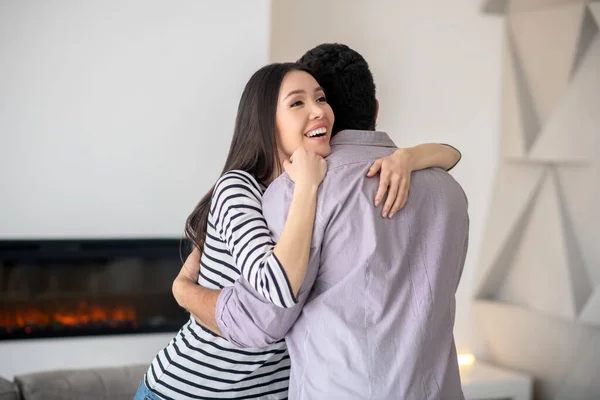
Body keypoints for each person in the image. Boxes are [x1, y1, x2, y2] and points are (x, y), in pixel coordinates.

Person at [137, 62, 460, 399]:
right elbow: (276, 288)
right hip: (187, 391)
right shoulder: (240, 188)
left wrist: (408, 156)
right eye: (297, 103)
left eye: (321, 99)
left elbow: (451, 155)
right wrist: (306, 186)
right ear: (266, 122)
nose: (318, 111)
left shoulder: (318, 181)